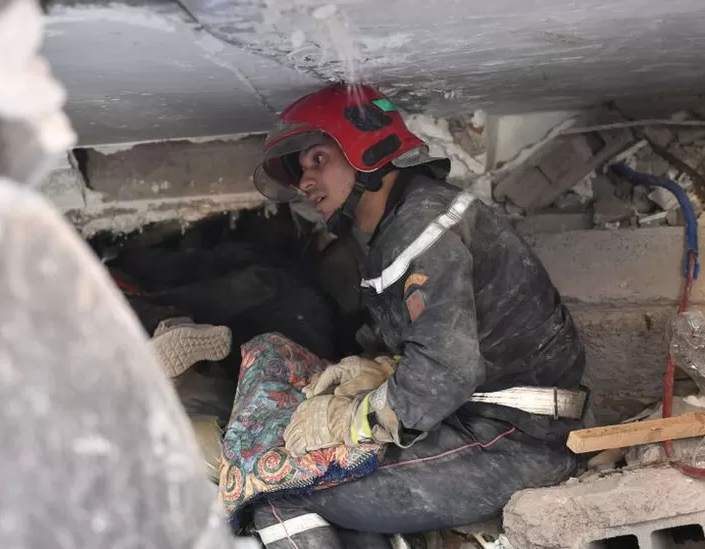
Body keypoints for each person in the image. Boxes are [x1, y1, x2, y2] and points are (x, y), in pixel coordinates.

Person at [249, 83, 590, 548]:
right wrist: (375, 370)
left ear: (367, 151)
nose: (304, 182)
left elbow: (447, 370)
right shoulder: (409, 222)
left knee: (280, 498)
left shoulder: (421, 229)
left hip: (514, 441)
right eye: (298, 171)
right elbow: (449, 342)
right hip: (495, 428)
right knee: (338, 493)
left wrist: (353, 421)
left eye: (317, 160)